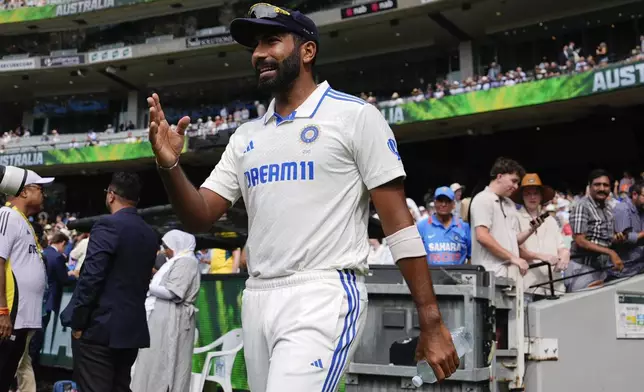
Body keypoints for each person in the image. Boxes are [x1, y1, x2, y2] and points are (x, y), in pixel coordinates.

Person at [146, 3, 458, 391]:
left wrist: (431, 322)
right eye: (255, 44)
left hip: (323, 293)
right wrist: (170, 166)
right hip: (257, 296)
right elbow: (200, 216)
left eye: (272, 40)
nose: (259, 52)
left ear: (307, 51)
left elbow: (400, 228)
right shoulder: (246, 137)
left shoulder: (355, 117)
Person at [60, 172, 158, 392]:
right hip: (131, 329)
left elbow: (91, 277)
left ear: (111, 195)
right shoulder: (149, 233)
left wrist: (78, 322)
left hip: (100, 329)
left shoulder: (107, 225)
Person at [0, 170, 53, 392]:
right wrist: (2, 310)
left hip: (22, 318)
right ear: (23, 191)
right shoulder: (7, 215)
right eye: (40, 189)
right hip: (10, 314)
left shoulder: (23, 220)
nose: (44, 194)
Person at [131, 230, 200, 392]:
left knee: (165, 364)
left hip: (172, 320)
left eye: (167, 247)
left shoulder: (187, 262)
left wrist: (146, 285)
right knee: (153, 362)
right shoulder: (177, 261)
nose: (164, 250)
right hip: (162, 319)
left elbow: (173, 292)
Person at [469, 158, 545, 278]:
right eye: (513, 181)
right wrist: (513, 258)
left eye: (517, 183)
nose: (516, 186)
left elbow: (514, 240)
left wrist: (531, 229)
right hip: (489, 275)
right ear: (499, 176)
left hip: (510, 274)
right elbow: (482, 236)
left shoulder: (509, 203)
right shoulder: (482, 199)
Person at [510, 174, 569, 294]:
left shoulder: (550, 220)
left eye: (536, 193)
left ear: (541, 196)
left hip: (554, 284)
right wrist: (542, 256)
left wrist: (565, 254)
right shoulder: (515, 218)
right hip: (529, 285)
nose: (532, 197)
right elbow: (515, 249)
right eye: (527, 193)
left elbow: (561, 246)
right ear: (522, 197)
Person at [567, 169, 624, 292]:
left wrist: (617, 238)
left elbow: (603, 239)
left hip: (600, 269)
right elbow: (580, 240)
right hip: (581, 269)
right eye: (597, 184)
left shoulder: (608, 209)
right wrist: (610, 252)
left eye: (606, 185)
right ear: (590, 186)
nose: (602, 188)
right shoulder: (582, 206)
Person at [29, 232, 72, 381]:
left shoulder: (44, 253)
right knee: (36, 341)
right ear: (62, 243)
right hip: (47, 303)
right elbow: (64, 279)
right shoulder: (57, 257)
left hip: (34, 302)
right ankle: (32, 375)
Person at [417, 187, 471, 266]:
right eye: (440, 200)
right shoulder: (422, 226)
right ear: (434, 202)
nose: (443, 204)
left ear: (453, 204)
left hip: (456, 277)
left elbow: (471, 256)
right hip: (430, 276)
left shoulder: (464, 227)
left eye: (447, 201)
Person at [610, 181, 644, 278]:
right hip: (625, 270)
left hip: (639, 265)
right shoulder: (622, 209)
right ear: (634, 195)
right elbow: (624, 239)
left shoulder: (641, 208)